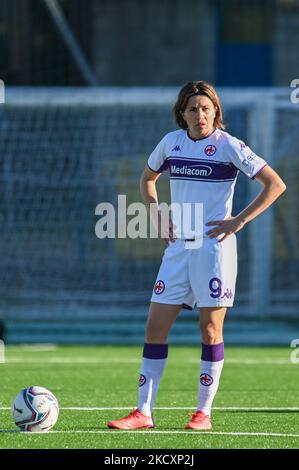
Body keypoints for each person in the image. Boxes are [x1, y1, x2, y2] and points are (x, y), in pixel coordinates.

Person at [107, 81, 286, 430]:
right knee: (155, 328)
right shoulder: (170, 143)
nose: (200, 114)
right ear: (182, 114)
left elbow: (275, 183)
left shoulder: (229, 146)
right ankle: (143, 412)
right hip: (178, 249)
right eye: (193, 109)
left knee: (209, 330)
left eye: (206, 108)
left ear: (216, 112)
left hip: (213, 249)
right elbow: (147, 180)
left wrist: (239, 220)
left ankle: (203, 413)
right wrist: (157, 216)